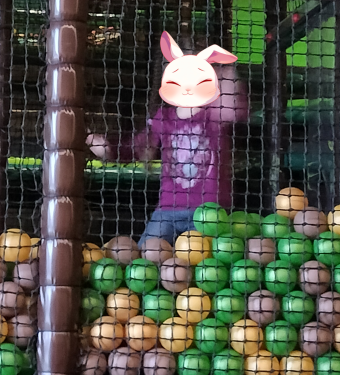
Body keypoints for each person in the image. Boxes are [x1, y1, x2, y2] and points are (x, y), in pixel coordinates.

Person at [87, 32, 248, 246]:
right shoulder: (163, 118)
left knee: (201, 257)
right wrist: (105, 147)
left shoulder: (214, 114)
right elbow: (138, 147)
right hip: (168, 208)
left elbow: (234, 108)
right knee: (147, 253)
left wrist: (227, 71)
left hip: (208, 211)